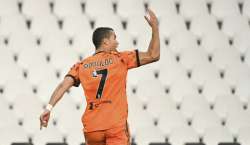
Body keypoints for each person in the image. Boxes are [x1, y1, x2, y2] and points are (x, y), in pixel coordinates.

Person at [39, 9, 160, 145]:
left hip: (92, 129)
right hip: (115, 126)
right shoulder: (121, 58)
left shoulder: (81, 65)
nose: (117, 42)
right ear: (105, 42)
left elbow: (63, 86)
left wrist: (48, 108)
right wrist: (155, 27)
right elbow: (153, 55)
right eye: (114, 38)